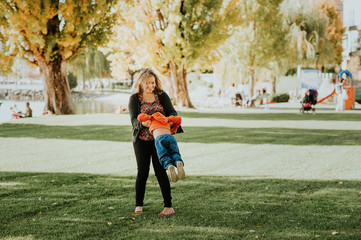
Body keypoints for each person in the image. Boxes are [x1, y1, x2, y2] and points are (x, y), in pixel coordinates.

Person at [128, 68, 183, 216]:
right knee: (142, 172)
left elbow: (172, 112)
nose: (150, 86)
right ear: (140, 83)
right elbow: (133, 120)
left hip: (159, 139)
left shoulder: (161, 95)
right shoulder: (134, 98)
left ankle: (168, 206)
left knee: (160, 171)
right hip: (141, 140)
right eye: (147, 84)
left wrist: (169, 121)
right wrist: (143, 124)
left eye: (152, 83)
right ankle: (138, 205)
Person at [137, 112, 185, 183]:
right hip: (170, 137)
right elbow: (179, 119)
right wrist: (174, 128)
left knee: (163, 155)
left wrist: (147, 118)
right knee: (174, 152)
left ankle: (169, 165)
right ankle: (178, 161)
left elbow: (139, 117)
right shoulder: (167, 119)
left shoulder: (151, 118)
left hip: (159, 138)